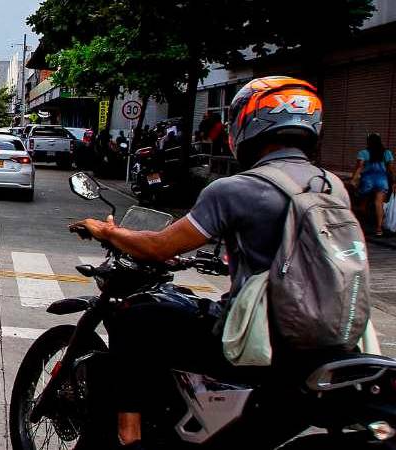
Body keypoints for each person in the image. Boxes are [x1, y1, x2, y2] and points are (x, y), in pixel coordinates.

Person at [73, 76, 353, 449]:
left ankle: (129, 438)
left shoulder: (238, 188)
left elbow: (158, 246)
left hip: (259, 335)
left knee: (133, 317)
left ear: (249, 125)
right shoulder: (331, 185)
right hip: (329, 334)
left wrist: (106, 232)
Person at [351, 133, 396, 237]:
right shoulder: (387, 153)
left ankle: (360, 226)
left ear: (368, 142)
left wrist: (354, 179)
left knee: (363, 203)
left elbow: (359, 166)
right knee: (379, 204)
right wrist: (394, 182)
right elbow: (391, 169)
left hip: (367, 180)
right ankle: (379, 229)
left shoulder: (363, 153)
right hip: (382, 180)